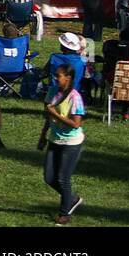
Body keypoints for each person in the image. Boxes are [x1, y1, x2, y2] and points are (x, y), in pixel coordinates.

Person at [40, 63, 86, 225]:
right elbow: (48, 116)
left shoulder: (75, 97)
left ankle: (64, 213)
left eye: (58, 76)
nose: (55, 78)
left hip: (71, 142)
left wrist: (55, 113)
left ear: (68, 78)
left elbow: (75, 124)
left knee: (62, 178)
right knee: (49, 177)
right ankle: (72, 199)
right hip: (54, 139)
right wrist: (43, 136)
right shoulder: (52, 91)